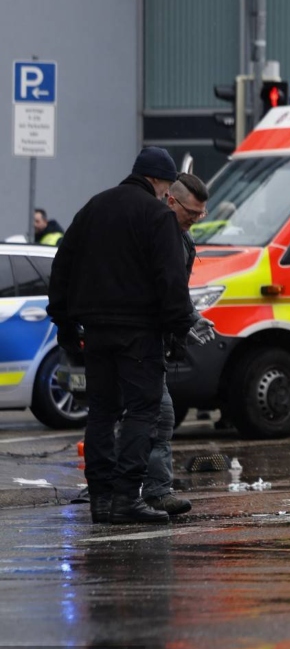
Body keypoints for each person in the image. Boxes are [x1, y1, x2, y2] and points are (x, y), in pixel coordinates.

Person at [47, 147, 196, 525]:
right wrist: (178, 329)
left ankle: (101, 499)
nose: (166, 194)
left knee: (101, 411)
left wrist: (63, 322)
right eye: (167, 187)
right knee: (143, 410)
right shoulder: (157, 215)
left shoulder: (93, 208)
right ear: (160, 182)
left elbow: (62, 265)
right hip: (139, 332)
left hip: (95, 331)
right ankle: (127, 497)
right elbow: (170, 279)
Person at [143, 173, 211, 516]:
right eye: (192, 213)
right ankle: (152, 491)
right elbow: (161, 291)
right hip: (138, 340)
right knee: (158, 415)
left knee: (143, 417)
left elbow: (176, 294)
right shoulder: (154, 233)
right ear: (171, 200)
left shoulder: (183, 241)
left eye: (201, 214)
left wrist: (191, 318)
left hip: (151, 340)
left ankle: (130, 489)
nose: (196, 220)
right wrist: (187, 319)